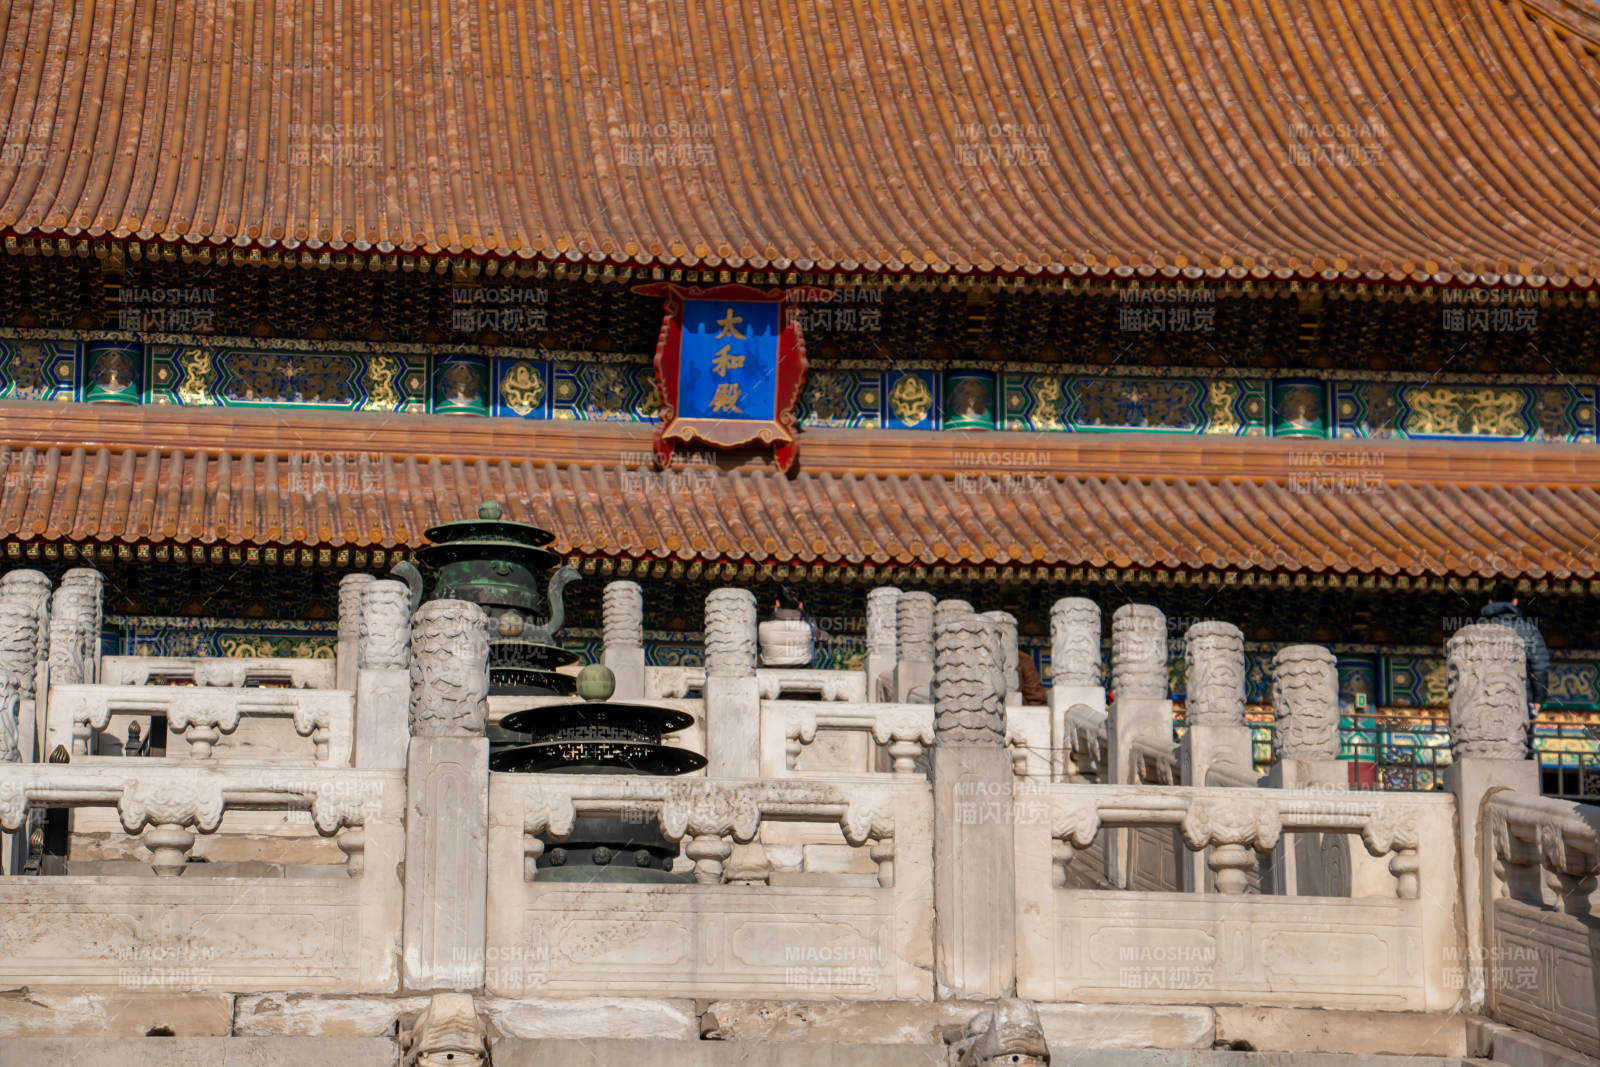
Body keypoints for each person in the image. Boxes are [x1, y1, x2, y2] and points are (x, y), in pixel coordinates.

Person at [1480, 583, 1549, 756]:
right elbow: (1539, 667)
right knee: (1521, 749)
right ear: (1515, 602)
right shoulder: (1529, 631)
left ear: (1490, 602)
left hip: (1485, 701)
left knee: (1488, 751)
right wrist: (1539, 699)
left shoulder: (1479, 630)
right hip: (1521, 699)